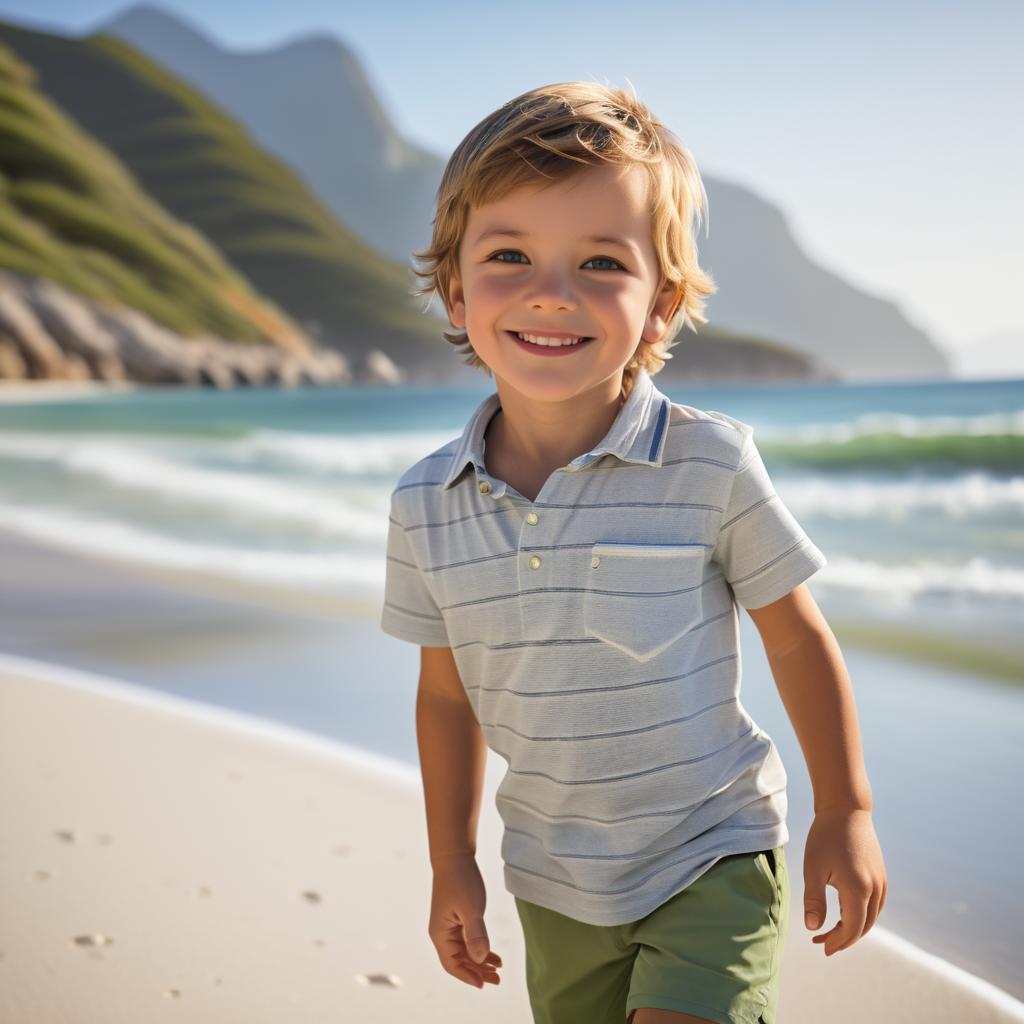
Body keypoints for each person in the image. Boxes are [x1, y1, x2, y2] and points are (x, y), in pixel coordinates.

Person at [380, 80, 887, 1024]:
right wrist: (452, 862)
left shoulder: (709, 462)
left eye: (602, 263)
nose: (549, 291)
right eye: (510, 255)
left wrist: (844, 811)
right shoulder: (425, 504)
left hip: (712, 853)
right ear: (456, 288)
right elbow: (447, 696)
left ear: (662, 305)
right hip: (554, 879)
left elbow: (794, 638)